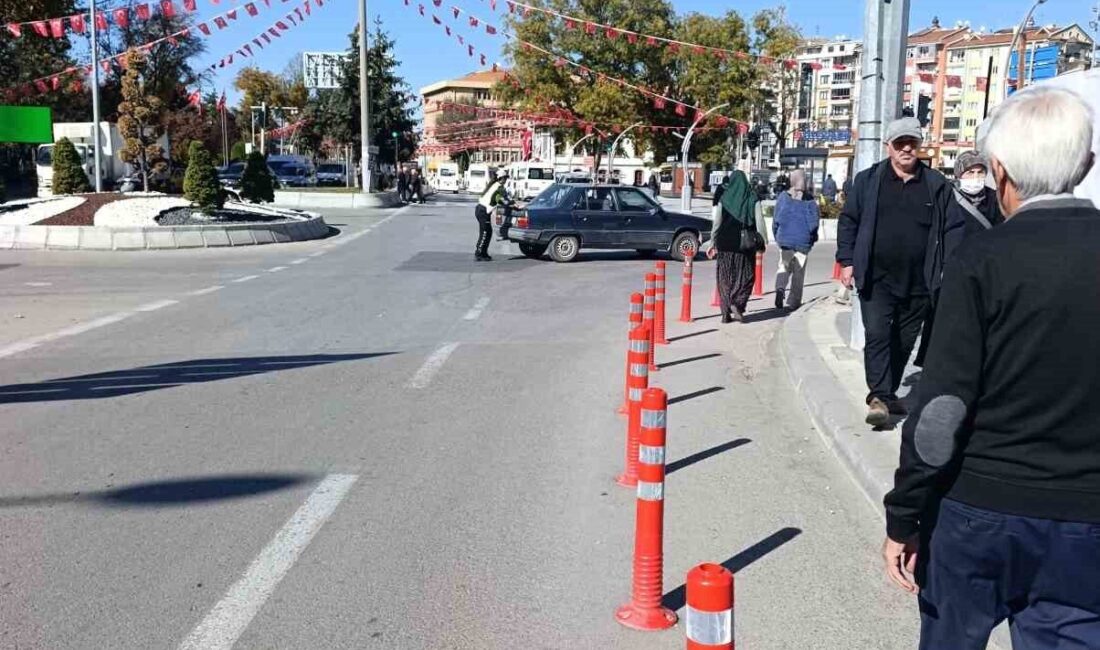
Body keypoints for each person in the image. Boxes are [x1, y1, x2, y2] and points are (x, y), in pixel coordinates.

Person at [881, 86, 1099, 650]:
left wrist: (904, 515)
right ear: (1086, 164)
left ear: (998, 170)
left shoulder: (982, 259)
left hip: (978, 511)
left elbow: (941, 411)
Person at [837, 116, 953, 427]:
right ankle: (879, 396)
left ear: (919, 146)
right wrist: (847, 261)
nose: (906, 149)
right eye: (900, 143)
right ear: (888, 146)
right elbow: (849, 221)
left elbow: (952, 229)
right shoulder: (868, 181)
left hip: (919, 281)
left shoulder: (937, 185)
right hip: (876, 277)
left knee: (903, 341)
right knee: (877, 334)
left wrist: (949, 268)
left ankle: (887, 395)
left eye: (911, 143)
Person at [705, 171, 758, 323]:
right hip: (744, 246)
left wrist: (712, 242)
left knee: (724, 278)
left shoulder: (724, 198)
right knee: (747, 276)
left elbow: (717, 223)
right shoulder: (752, 198)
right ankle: (737, 303)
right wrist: (762, 241)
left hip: (724, 244)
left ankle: (725, 312)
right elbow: (759, 221)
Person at [772, 169, 820, 310]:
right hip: (802, 242)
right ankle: (794, 302)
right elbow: (814, 224)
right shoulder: (810, 201)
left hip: (785, 241)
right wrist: (812, 238)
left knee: (784, 267)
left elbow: (776, 220)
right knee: (799, 272)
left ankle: (780, 288)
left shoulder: (783, 197)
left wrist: (777, 236)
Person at [474, 171, 509, 261]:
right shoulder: (499, 187)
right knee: (485, 232)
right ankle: (479, 253)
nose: (506, 180)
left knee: (488, 231)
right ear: (501, 178)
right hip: (483, 211)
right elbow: (505, 199)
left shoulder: (493, 184)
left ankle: (483, 252)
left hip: (481, 209)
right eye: (505, 178)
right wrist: (514, 205)